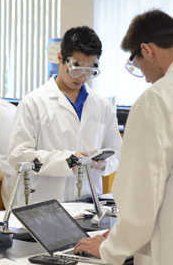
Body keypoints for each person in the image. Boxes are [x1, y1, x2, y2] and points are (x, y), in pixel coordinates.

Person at [74, 10, 173, 265]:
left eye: (139, 65)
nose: (146, 78)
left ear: (147, 50)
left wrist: (112, 247)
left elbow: (141, 194)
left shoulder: (156, 100)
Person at [8, 26, 122, 204]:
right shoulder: (33, 103)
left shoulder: (102, 105)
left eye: (89, 71)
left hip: (88, 202)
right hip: (45, 204)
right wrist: (69, 161)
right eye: (76, 69)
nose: (82, 77)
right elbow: (19, 156)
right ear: (60, 58)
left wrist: (104, 163)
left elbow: (117, 152)